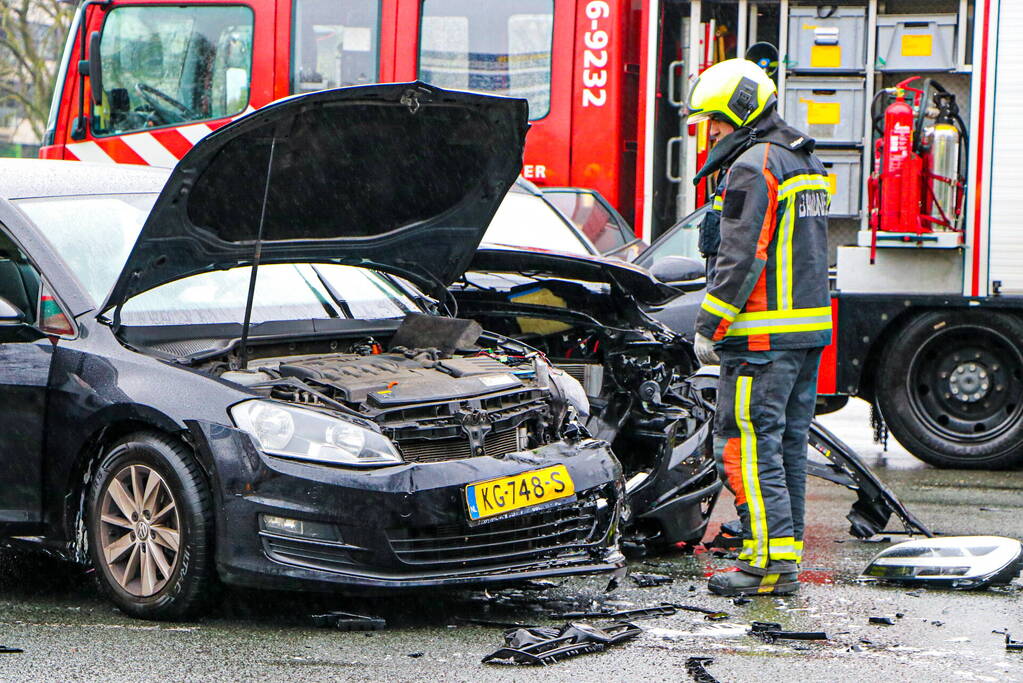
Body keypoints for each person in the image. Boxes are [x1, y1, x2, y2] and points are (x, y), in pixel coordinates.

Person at [686, 59, 832, 596]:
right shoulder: (800, 160)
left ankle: (765, 566)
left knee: (745, 446)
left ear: (739, 111)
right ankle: (782, 559)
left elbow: (742, 254)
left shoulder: (753, 166)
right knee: (785, 447)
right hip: (805, 335)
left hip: (762, 340)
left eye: (715, 120)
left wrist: (709, 325)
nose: (712, 132)